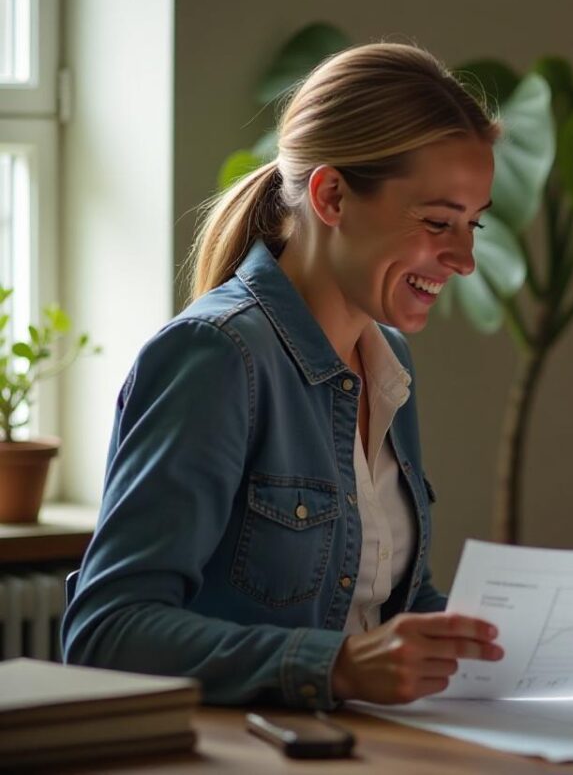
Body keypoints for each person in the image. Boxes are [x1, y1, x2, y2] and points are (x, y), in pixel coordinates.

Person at [62, 43, 504, 709]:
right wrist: (338, 666)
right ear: (330, 195)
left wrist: (497, 640)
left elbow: (380, 605)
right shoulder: (215, 357)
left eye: (472, 225)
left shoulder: (386, 362)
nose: (464, 258)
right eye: (439, 222)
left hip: (367, 743)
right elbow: (107, 631)